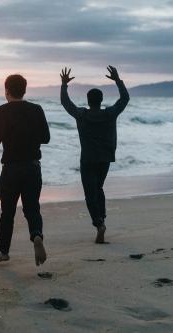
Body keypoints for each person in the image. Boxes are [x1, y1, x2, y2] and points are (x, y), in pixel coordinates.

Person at [0, 74, 50, 266]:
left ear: (6, 91)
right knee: (32, 207)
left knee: (7, 212)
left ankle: (4, 252)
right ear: (25, 90)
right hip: (32, 167)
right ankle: (36, 236)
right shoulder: (37, 109)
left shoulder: (0, 111)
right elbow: (46, 138)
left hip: (11, 169)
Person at [60, 66, 130, 243]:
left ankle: (99, 223)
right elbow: (125, 99)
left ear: (88, 100)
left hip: (88, 159)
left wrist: (64, 85)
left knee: (90, 192)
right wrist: (117, 80)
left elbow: (66, 103)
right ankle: (102, 220)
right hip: (105, 158)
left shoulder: (82, 115)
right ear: (101, 100)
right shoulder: (109, 114)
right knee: (98, 188)